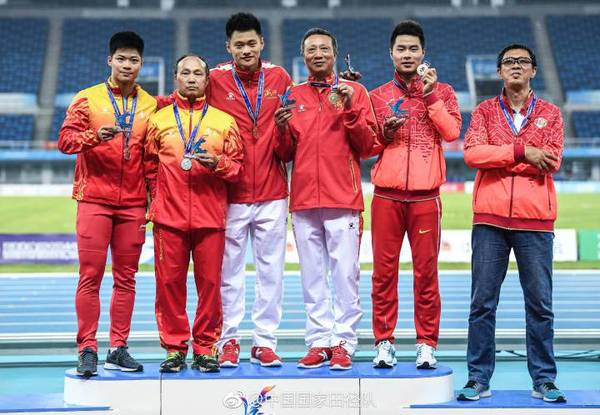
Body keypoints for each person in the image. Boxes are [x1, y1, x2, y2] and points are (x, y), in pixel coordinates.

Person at [457, 44, 566, 403]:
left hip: (535, 221)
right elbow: (473, 154)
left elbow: (551, 160)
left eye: (523, 62)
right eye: (509, 62)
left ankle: (544, 379)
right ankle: (478, 377)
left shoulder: (550, 113)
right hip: (490, 220)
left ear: (533, 70)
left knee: (540, 305)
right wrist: (522, 152)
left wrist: (500, 158)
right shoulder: (484, 112)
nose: (516, 66)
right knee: (482, 304)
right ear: (500, 71)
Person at [274, 28, 377, 370]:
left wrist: (350, 110)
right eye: (311, 49)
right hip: (304, 201)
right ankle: (319, 341)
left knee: (345, 275)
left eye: (323, 49)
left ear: (334, 53)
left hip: (343, 198)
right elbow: (285, 153)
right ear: (303, 55)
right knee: (313, 276)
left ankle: (344, 342)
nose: (317, 54)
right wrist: (281, 129)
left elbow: (368, 146)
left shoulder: (355, 92)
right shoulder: (293, 95)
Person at [58, 31, 156, 378]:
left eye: (134, 60)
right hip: (94, 200)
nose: (127, 65)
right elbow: (64, 141)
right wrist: (91, 137)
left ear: (141, 64)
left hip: (133, 205)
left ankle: (118, 348)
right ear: (110, 61)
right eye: (121, 59)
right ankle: (87, 348)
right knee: (91, 276)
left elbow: (152, 158)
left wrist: (153, 201)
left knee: (127, 278)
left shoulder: (151, 105)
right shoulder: (87, 99)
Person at [368, 20, 461, 369]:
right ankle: (384, 342)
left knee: (426, 275)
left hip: (425, 198)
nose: (407, 54)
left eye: (413, 49)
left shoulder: (444, 92)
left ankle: (426, 343)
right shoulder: (377, 96)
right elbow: (366, 147)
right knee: (383, 274)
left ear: (423, 53)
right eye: (401, 49)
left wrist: (431, 95)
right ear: (391, 53)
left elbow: (451, 132)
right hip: (386, 197)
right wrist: (384, 134)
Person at [144, 54, 243, 373]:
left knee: (210, 286)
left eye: (197, 73)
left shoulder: (224, 121)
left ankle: (205, 347)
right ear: (175, 78)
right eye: (185, 73)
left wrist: (220, 165)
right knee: (169, 285)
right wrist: (156, 201)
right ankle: (174, 348)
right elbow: (148, 166)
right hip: (168, 218)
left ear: (206, 80)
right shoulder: (158, 120)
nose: (191, 78)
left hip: (210, 217)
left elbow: (237, 168)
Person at [209, 13, 293, 368]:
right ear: (228, 47)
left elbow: (292, 130)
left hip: (273, 191)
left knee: (270, 272)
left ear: (262, 43)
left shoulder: (280, 77)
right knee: (228, 273)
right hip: (229, 191)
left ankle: (264, 342)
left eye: (251, 43)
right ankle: (228, 340)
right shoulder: (214, 79)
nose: (246, 50)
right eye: (239, 44)